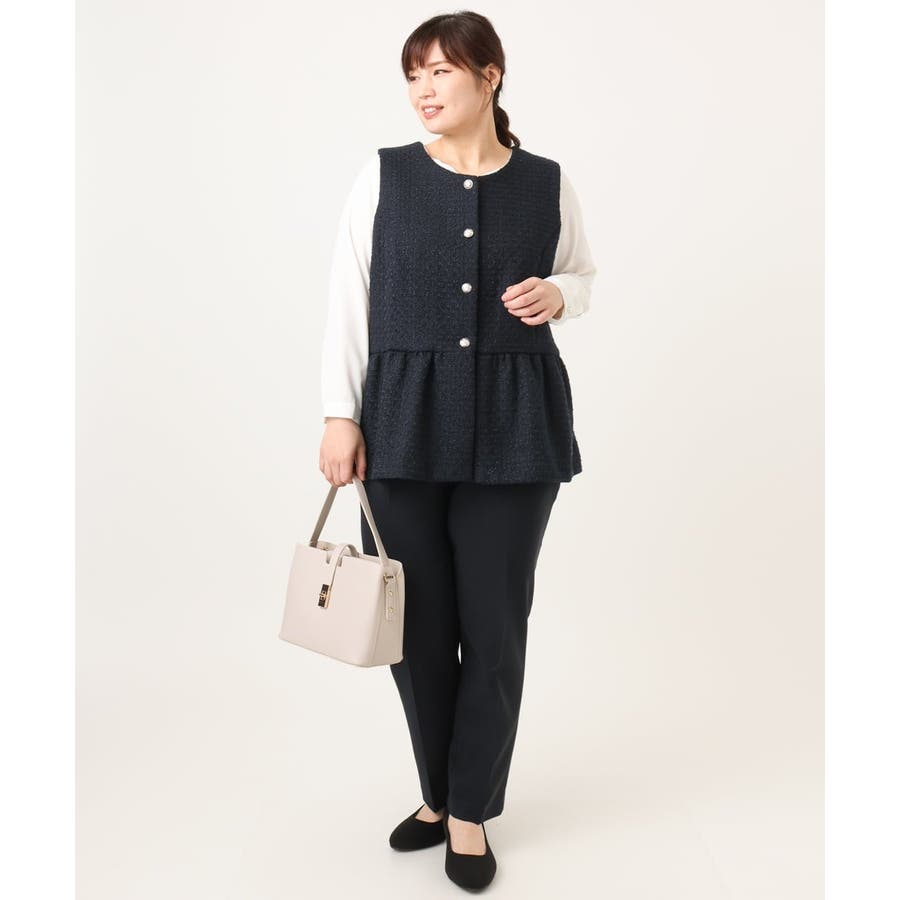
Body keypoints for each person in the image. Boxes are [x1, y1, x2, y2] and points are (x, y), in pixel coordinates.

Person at [318, 11, 595, 891]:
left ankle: (469, 809)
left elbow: (582, 273)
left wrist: (561, 293)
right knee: (417, 629)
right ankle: (438, 793)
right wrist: (339, 414)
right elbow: (350, 296)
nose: (424, 90)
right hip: (401, 423)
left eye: (441, 71)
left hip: (518, 427)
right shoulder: (385, 175)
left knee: (495, 628)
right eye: (414, 74)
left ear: (490, 76)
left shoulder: (547, 181)